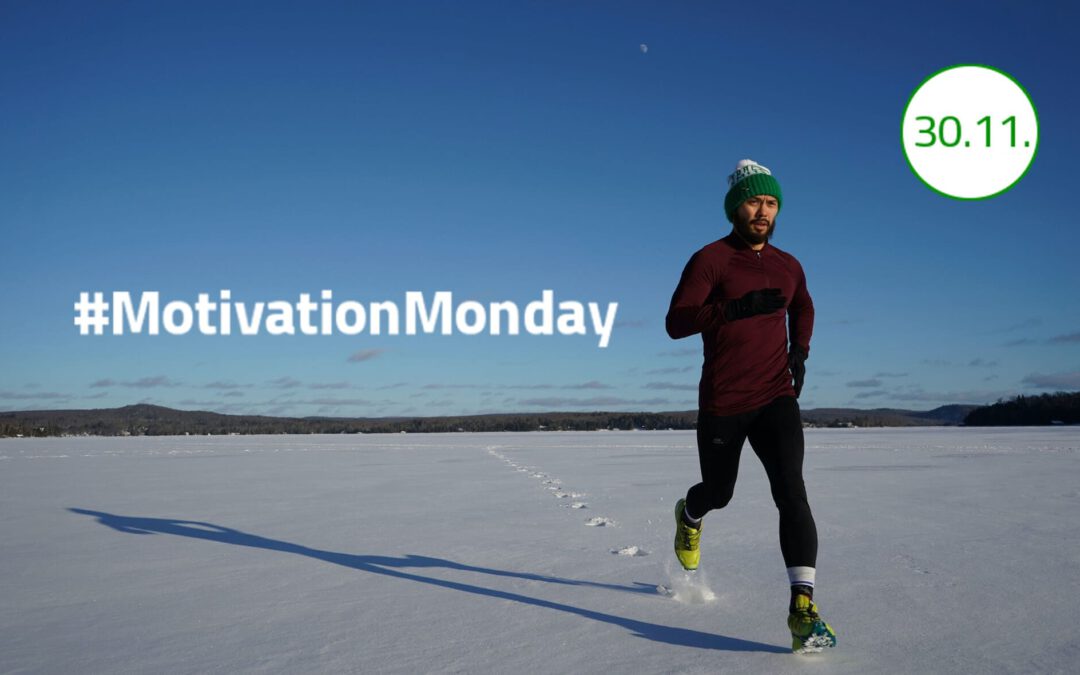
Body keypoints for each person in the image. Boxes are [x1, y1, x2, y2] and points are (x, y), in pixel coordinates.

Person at [665, 159, 836, 653]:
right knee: (719, 492)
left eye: (772, 202)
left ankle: (802, 607)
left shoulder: (788, 264)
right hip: (724, 401)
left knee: (792, 492)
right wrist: (734, 309)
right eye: (754, 201)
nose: (763, 211)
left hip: (776, 396)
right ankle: (691, 515)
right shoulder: (711, 260)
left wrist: (799, 350)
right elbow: (676, 321)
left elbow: (802, 303)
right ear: (735, 207)